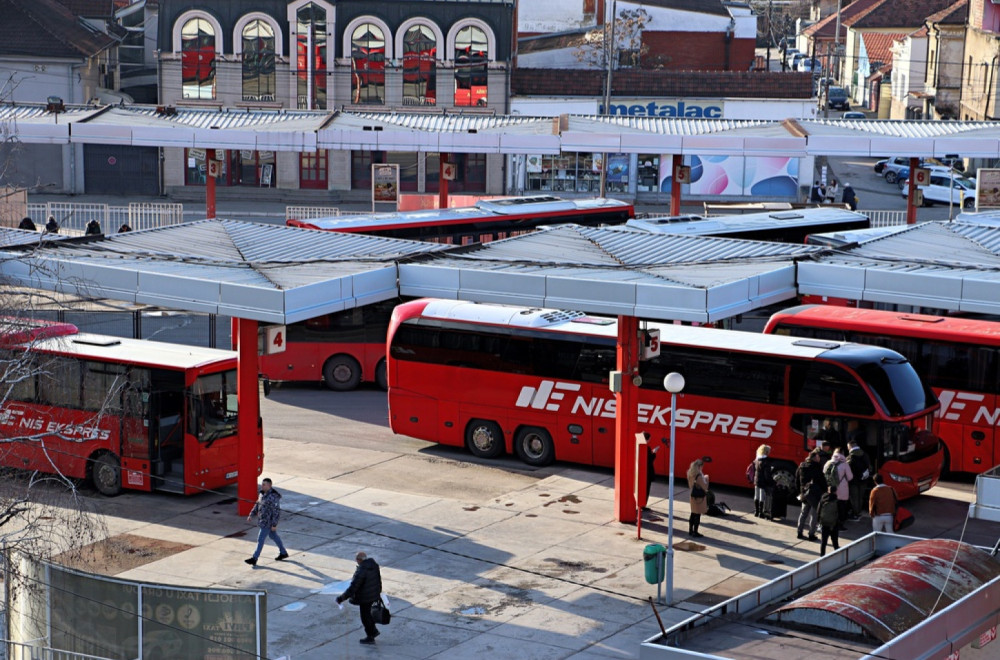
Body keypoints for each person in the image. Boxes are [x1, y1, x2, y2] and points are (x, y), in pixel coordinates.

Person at [336, 551, 384, 645]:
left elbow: (354, 587)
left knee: (365, 617)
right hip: (373, 594)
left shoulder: (362, 571)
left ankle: (371, 635)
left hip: (365, 597)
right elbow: (378, 580)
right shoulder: (374, 566)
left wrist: (341, 598)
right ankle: (373, 632)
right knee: (368, 615)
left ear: (359, 560)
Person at [244, 477, 289, 566]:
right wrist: (251, 514)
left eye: (264, 484)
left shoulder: (273, 496)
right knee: (274, 536)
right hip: (262, 520)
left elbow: (276, 512)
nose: (262, 486)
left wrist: (274, 524)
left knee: (260, 539)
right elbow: (257, 505)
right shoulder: (261, 494)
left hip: (268, 522)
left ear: (269, 485)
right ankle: (283, 552)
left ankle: (254, 558)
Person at [795, 448, 825, 541]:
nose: (819, 458)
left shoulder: (801, 466)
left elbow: (797, 480)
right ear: (815, 458)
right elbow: (822, 481)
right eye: (818, 456)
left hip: (804, 493)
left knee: (803, 513)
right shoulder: (816, 467)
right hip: (814, 494)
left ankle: (799, 532)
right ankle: (811, 534)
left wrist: (800, 491)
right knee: (813, 515)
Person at [824, 448, 853, 530]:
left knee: (831, 506)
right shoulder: (844, 464)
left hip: (830, 489)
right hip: (842, 489)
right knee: (841, 508)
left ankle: (830, 523)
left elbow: (824, 473)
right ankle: (839, 525)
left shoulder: (828, 462)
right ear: (843, 453)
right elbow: (850, 477)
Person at [846, 438, 871, 521]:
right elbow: (869, 467)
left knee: (854, 497)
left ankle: (856, 513)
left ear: (850, 446)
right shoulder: (865, 454)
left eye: (848, 447)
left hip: (853, 481)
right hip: (864, 479)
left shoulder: (850, 457)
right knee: (860, 497)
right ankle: (859, 511)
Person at [687, 458, 709, 538]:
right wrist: (706, 478)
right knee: (697, 515)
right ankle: (695, 532)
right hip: (699, 498)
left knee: (693, 513)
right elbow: (705, 487)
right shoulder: (699, 476)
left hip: (693, 496)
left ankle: (690, 530)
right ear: (699, 467)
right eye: (702, 467)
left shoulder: (690, 473)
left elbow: (690, 486)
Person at [752, 444, 774, 519]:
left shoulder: (757, 459)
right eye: (769, 451)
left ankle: (756, 511)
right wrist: (771, 482)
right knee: (762, 497)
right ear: (766, 452)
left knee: (756, 495)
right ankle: (761, 513)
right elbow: (767, 475)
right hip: (763, 482)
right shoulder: (766, 462)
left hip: (756, 480)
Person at [817, 486, 840, 556]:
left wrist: (819, 520)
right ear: (835, 491)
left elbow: (818, 511)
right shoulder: (837, 500)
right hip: (834, 523)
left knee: (824, 542)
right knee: (835, 541)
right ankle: (838, 554)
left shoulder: (823, 499)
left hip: (824, 523)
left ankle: (822, 555)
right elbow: (840, 513)